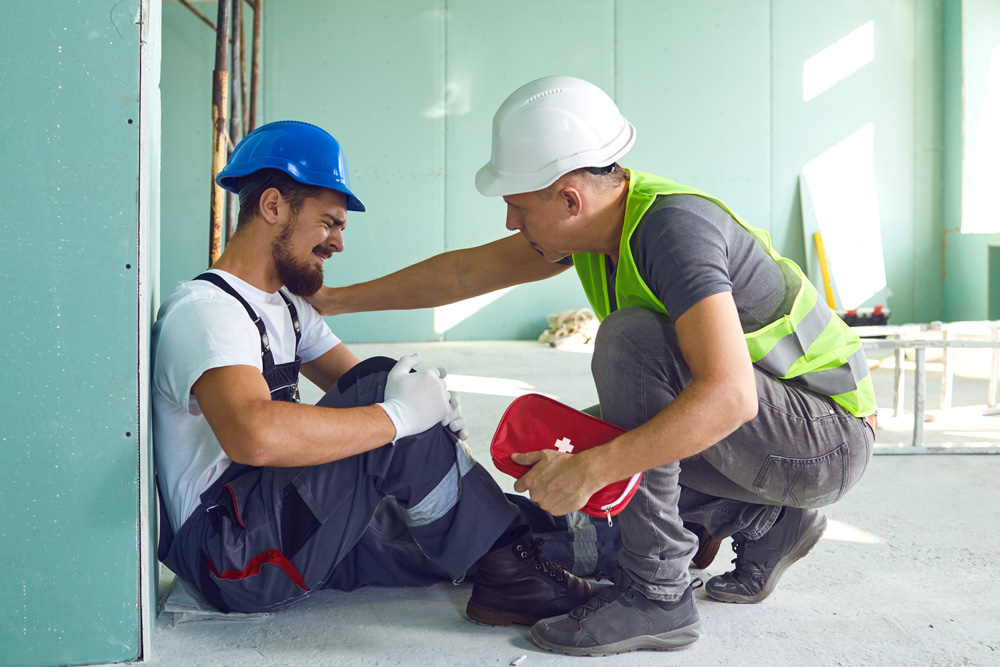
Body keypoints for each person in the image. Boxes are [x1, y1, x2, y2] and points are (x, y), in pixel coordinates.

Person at [307, 76, 878, 656]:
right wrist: (333, 301)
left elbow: (731, 396)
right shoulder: (593, 230)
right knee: (580, 450)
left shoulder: (675, 233)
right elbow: (464, 274)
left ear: (570, 200)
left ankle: (657, 597)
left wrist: (595, 469)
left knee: (628, 351)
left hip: (824, 437)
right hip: (781, 433)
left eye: (518, 206)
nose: (510, 222)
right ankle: (764, 521)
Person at [151, 120, 610, 623]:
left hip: (286, 522)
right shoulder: (207, 310)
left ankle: (612, 547)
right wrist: (400, 416)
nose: (338, 243)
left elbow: (373, 382)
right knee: (384, 396)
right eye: (329, 222)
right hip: (231, 553)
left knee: (449, 524)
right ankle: (515, 582)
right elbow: (254, 436)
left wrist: (426, 408)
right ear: (274, 206)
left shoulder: (286, 307)